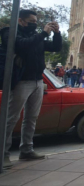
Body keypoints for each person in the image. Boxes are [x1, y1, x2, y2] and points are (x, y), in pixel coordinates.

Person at [0, 9, 62, 169]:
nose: (35, 25)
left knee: (31, 117)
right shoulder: (10, 32)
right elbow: (21, 46)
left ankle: (26, 149)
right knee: (11, 118)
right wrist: (42, 33)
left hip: (37, 81)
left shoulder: (36, 37)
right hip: (21, 81)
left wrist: (56, 33)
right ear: (21, 21)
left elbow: (55, 47)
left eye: (36, 22)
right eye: (32, 22)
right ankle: (3, 154)